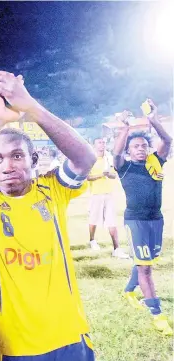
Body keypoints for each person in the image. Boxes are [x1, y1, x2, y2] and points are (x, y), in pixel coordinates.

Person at [0, 70, 97, 360]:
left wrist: (31, 107)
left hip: (69, 336)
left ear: (32, 160)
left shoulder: (53, 190)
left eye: (17, 155)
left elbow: (85, 159)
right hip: (16, 346)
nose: (7, 166)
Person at [113, 102, 173, 336]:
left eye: (144, 145)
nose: (141, 148)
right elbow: (116, 153)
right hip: (136, 221)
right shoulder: (124, 167)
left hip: (156, 220)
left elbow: (168, 141)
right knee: (146, 268)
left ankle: (129, 290)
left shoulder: (156, 161)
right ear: (129, 151)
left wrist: (154, 120)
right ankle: (157, 315)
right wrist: (125, 129)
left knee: (145, 262)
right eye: (136, 146)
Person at [87, 138, 129, 258]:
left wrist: (108, 174)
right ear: (94, 145)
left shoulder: (109, 158)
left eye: (104, 143)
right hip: (96, 194)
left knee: (112, 221)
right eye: (99, 142)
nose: (102, 145)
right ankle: (92, 240)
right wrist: (101, 175)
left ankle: (116, 249)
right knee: (93, 220)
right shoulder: (91, 159)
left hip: (109, 194)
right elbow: (87, 177)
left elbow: (114, 175)